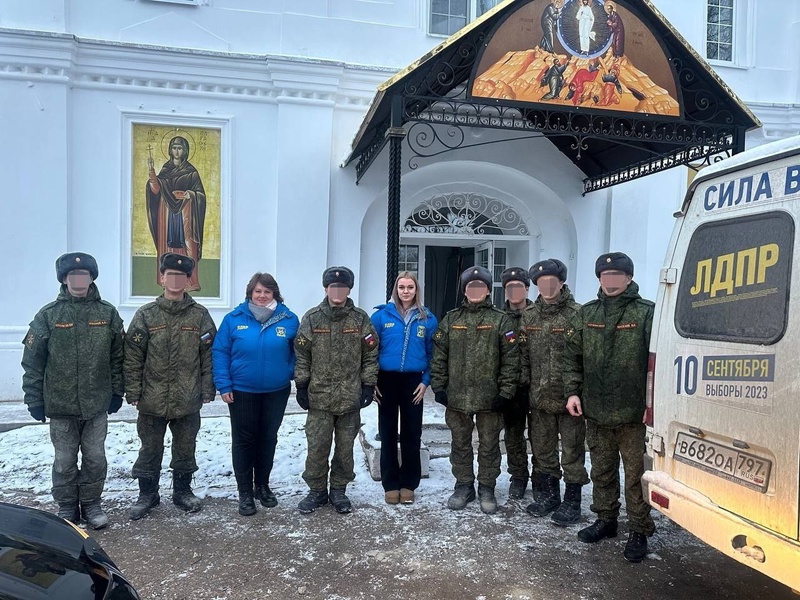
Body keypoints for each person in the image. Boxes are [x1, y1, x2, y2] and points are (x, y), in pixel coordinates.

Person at [21, 252, 125, 529]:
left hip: (96, 403)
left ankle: (91, 504)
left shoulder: (107, 313)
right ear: (64, 279)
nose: (79, 280)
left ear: (92, 278)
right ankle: (68, 506)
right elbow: (33, 361)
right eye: (72, 275)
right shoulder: (48, 315)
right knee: (64, 460)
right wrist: (34, 399)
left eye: (84, 275)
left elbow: (118, 357)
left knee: (94, 458)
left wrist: (117, 392)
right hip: (60, 404)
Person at [563, 252, 655, 562]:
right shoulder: (586, 313)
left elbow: (657, 364)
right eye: (606, 275)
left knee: (635, 476)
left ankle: (639, 530)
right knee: (602, 470)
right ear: (599, 279)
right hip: (596, 410)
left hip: (633, 414)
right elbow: (572, 357)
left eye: (618, 275)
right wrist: (573, 393)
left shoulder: (646, 313)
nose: (611, 280)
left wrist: (652, 404)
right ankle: (606, 520)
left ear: (629, 278)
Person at [124, 252, 217, 520]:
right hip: (151, 399)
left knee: (185, 447)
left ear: (188, 280)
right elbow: (133, 356)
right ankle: (147, 494)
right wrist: (133, 391)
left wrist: (207, 388)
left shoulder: (200, 315)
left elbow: (208, 354)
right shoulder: (146, 315)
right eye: (170, 275)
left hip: (188, 398)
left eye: (181, 276)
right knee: (150, 449)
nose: (175, 280)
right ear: (162, 278)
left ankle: (182, 492)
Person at [431, 266, 519, 514]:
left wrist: (506, 391)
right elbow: (439, 355)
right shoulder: (451, 319)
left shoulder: (501, 320)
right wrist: (439, 386)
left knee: (490, 445)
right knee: (460, 444)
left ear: (489, 290)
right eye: (471, 287)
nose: (476, 291)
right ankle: (464, 485)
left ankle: (487, 487)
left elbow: (511, 360)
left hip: (490, 398)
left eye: (481, 287)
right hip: (457, 396)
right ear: (464, 290)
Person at [212, 273, 299, 516]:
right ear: (250, 293)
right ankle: (245, 493)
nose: (262, 296)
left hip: (276, 392)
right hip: (242, 392)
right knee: (244, 441)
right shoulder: (234, 319)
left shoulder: (289, 320)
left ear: (275, 294)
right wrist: (224, 384)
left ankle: (262, 486)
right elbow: (220, 352)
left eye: (267, 292)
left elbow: (299, 352)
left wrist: (287, 371)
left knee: (268, 438)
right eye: (258, 291)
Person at [294, 266, 379, 514]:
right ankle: (317, 491)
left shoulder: (360, 319)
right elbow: (302, 355)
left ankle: (339, 490)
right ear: (326, 289)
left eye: (342, 287)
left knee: (344, 449)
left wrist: (368, 385)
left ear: (349, 289)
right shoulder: (312, 318)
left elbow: (371, 355)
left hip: (350, 398)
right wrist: (301, 385)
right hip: (319, 397)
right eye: (333, 287)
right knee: (317, 448)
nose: (337, 291)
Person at [521, 259, 589, 526]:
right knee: (543, 451)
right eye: (541, 282)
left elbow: (583, 357)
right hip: (538, 399)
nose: (547, 286)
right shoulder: (529, 315)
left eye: (552, 281)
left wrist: (577, 391)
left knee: (572, 453)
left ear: (561, 283)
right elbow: (524, 357)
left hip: (569, 400)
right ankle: (549, 496)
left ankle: (572, 502)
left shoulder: (577, 314)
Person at [370, 272, 437, 505]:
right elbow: (370, 352)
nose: (406, 291)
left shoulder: (427, 318)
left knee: (411, 433)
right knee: (388, 432)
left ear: (416, 290)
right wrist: (373, 380)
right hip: (386, 381)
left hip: (412, 382)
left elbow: (433, 354)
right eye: (401, 287)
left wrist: (425, 381)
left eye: (410, 287)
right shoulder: (380, 316)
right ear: (395, 290)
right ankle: (390, 483)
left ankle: (408, 483)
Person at [146, 135, 207, 292]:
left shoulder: (192, 172)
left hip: (186, 211)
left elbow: (200, 194)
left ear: (185, 150)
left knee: (186, 244)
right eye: (174, 148)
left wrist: (190, 195)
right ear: (170, 150)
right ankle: (166, 279)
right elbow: (156, 190)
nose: (177, 151)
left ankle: (190, 282)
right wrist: (152, 175)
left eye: (180, 148)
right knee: (168, 244)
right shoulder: (165, 170)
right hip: (166, 213)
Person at [499, 267, 533, 500]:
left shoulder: (538, 314)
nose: (514, 291)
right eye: (510, 288)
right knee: (513, 436)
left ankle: (542, 479)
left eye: (518, 287)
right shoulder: (498, 317)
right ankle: (519, 476)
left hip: (538, 385)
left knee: (541, 438)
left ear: (527, 288)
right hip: (511, 386)